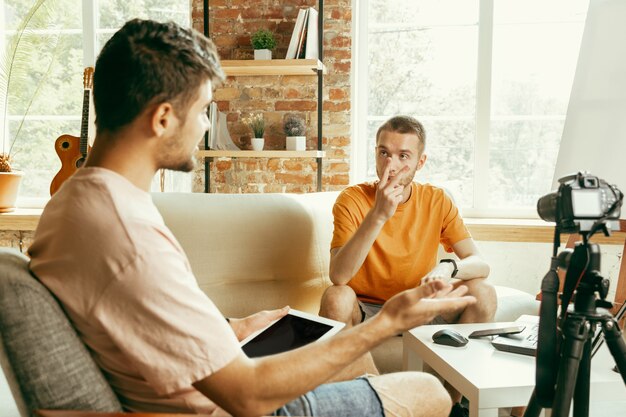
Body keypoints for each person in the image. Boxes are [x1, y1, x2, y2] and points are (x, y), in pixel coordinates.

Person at [28, 19, 476, 417]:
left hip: (214, 374)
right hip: (222, 404)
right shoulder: (127, 234)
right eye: (204, 110)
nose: (206, 126)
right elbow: (246, 397)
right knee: (427, 392)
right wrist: (388, 322)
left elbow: (146, 317)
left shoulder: (79, 201)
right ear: (163, 118)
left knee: (341, 351)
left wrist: (239, 325)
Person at [318, 115, 496, 414]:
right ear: (375, 152)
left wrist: (448, 268)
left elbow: (480, 263)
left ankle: (450, 403)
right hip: (367, 310)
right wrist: (378, 215)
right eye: (384, 152)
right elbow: (339, 275)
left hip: (421, 305)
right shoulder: (352, 199)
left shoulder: (437, 200)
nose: (391, 165)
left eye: (403, 156)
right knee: (335, 296)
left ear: (420, 162)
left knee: (484, 292)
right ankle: (376, 404)